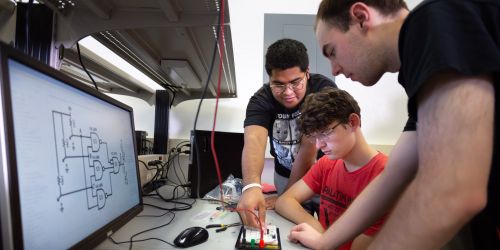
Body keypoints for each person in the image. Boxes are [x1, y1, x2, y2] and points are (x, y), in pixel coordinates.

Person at [288, 0, 500, 249]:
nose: (335, 69)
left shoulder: (435, 18)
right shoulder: (423, 75)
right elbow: (394, 174)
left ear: (360, 17)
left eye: (332, 51)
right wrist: (326, 243)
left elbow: (453, 192)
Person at [237, 38, 337, 228]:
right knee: (290, 230)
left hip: (325, 175)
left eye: (295, 82)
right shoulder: (261, 99)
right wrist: (251, 186)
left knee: (330, 227)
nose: (288, 92)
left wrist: (285, 197)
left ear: (307, 73)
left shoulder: (323, 91)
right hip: (284, 174)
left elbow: (309, 147)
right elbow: (254, 140)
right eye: (279, 84)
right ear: (269, 79)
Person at [275, 88, 388, 250]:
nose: (319, 145)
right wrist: (322, 235)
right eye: (315, 137)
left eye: (325, 133)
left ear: (352, 122)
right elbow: (284, 201)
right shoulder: (327, 164)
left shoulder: (386, 176)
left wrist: (323, 242)